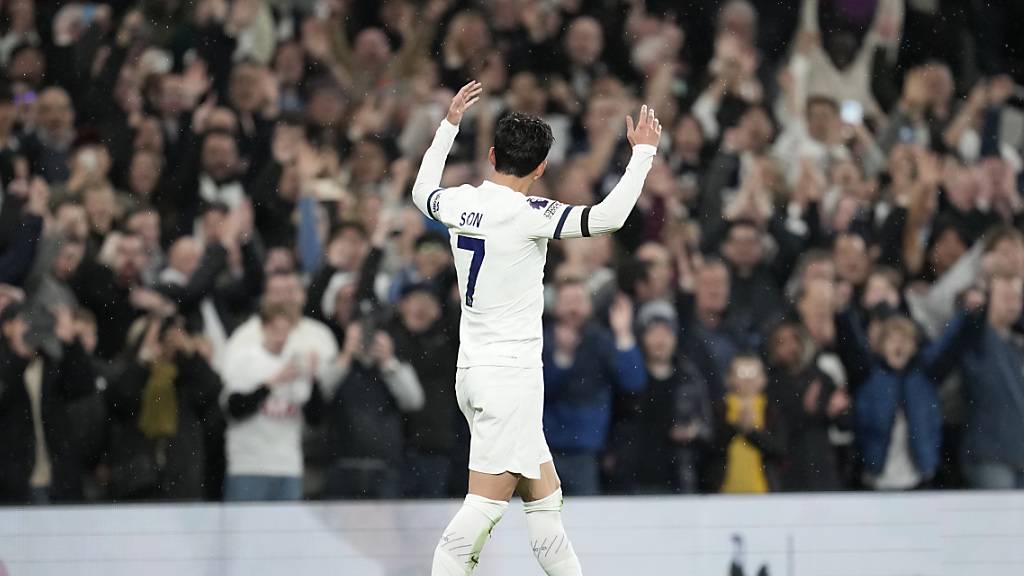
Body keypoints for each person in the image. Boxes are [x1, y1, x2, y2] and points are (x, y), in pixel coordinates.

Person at [413, 81, 660, 575]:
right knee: (483, 508)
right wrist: (643, 155)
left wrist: (448, 126)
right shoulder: (531, 214)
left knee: (546, 505)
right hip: (509, 379)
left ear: (491, 156)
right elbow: (608, 218)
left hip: (476, 373)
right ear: (542, 168)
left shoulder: (459, 202)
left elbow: (422, 192)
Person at [221, 304, 323, 501]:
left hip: (288, 465)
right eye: (276, 330)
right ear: (263, 328)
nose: (281, 337)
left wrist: (313, 378)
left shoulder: (296, 363)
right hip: (248, 464)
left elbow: (315, 418)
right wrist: (273, 382)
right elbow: (234, 409)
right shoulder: (245, 360)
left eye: (286, 331)